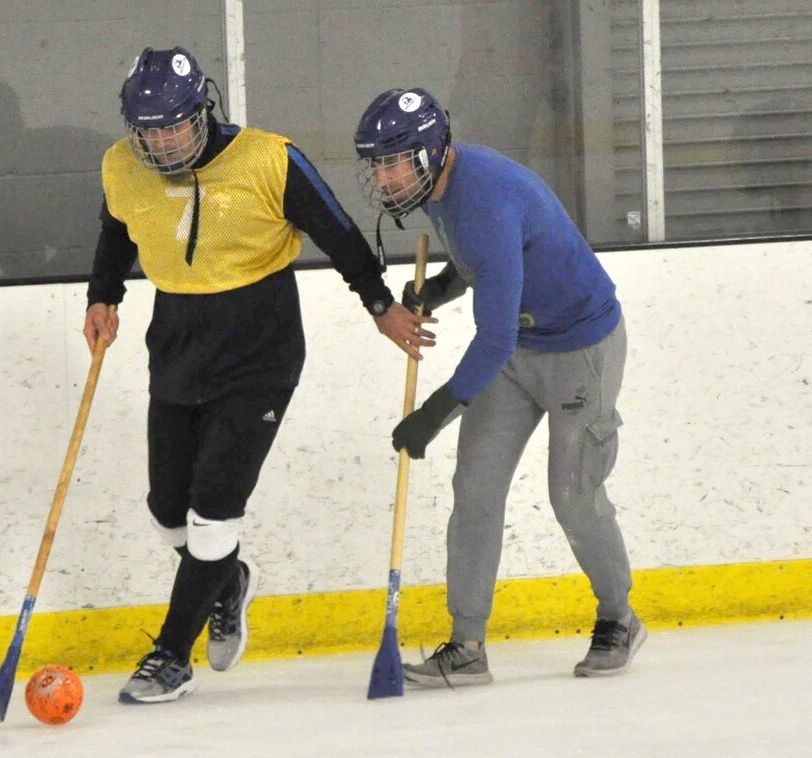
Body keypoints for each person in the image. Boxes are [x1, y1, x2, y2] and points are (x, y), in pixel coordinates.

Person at [83, 48, 435, 705]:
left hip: (260, 345)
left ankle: (168, 656)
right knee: (168, 516)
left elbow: (339, 233)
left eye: (173, 127)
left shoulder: (269, 158)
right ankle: (226, 581)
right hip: (177, 339)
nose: (159, 143)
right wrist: (102, 296)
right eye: (147, 131)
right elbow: (115, 231)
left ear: (202, 111)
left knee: (213, 513)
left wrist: (381, 306)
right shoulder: (120, 166)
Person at [352, 87, 645, 686]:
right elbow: (482, 260)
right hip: (519, 350)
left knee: (573, 494)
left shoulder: (482, 198)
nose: (384, 180)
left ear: (429, 154)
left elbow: (492, 339)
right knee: (476, 488)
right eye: (377, 165)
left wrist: (433, 414)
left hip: (578, 350)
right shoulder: (440, 187)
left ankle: (620, 616)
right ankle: (466, 647)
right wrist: (440, 287)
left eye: (393, 163)